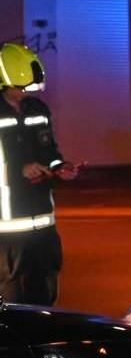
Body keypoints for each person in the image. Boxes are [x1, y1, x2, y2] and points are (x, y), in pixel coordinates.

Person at [0, 43, 76, 304]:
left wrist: (59, 168)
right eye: (20, 88)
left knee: (45, 298)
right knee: (10, 304)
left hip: (43, 225)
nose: (24, 93)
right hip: (7, 231)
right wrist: (19, 170)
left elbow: (50, 151)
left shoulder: (38, 110)